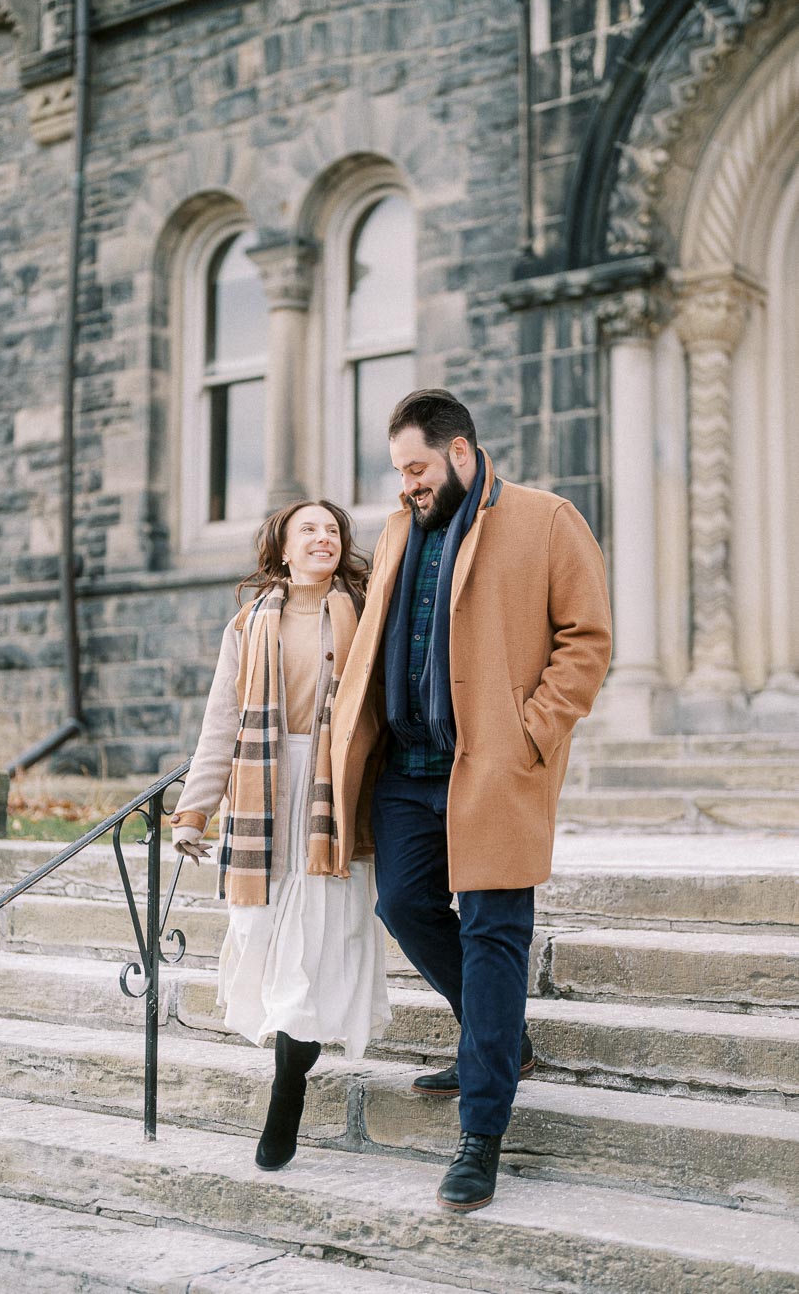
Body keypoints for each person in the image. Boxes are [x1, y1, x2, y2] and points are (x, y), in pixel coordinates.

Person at [331, 389, 612, 1212]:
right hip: (407, 772)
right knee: (403, 903)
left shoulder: (548, 519)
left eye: (416, 469)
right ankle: (500, 1038)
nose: (407, 487)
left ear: (460, 453)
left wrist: (530, 733)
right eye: (399, 473)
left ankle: (481, 1133)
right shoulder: (395, 531)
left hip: (495, 766)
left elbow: (587, 640)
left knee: (494, 933)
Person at [170, 500, 391, 1170]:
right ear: (284, 549)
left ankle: (286, 1090)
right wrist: (192, 812)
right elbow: (222, 725)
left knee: (316, 945)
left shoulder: (365, 612)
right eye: (309, 530)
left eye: (333, 530)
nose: (323, 539)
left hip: (336, 795)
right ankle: (289, 1060)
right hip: (264, 793)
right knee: (260, 933)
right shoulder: (249, 624)